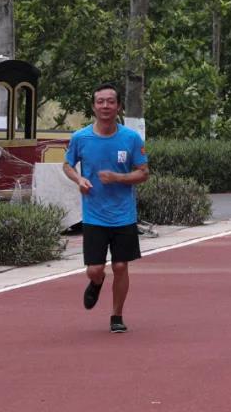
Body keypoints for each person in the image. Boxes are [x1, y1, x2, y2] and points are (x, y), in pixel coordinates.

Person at [62, 83, 149, 333]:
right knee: (95, 269)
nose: (105, 106)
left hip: (124, 215)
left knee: (121, 266)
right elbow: (67, 165)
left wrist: (118, 178)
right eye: (100, 102)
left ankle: (116, 316)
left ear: (118, 106)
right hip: (94, 215)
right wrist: (79, 179)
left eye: (110, 101)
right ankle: (96, 282)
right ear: (93, 106)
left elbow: (143, 173)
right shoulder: (81, 138)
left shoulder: (131, 138)